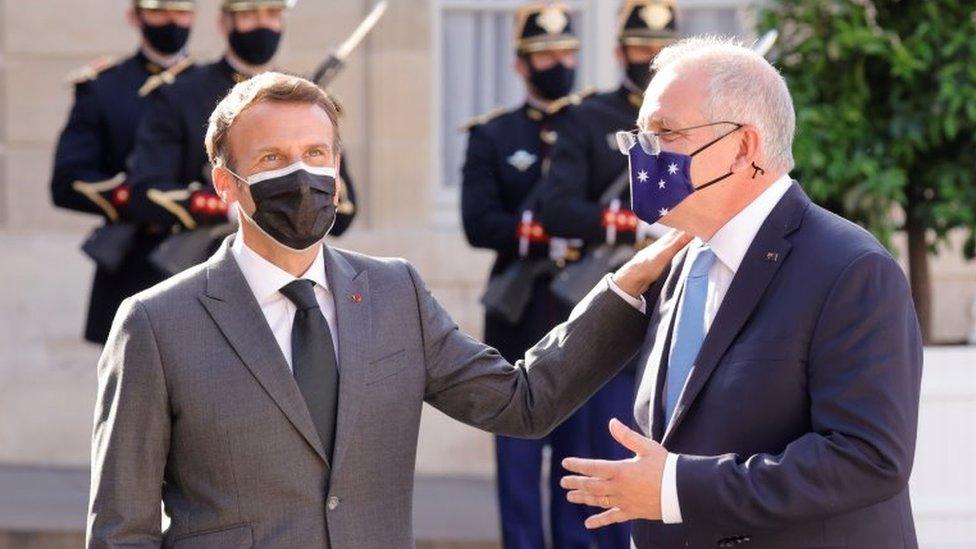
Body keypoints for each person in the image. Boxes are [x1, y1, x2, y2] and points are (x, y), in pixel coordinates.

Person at [87, 71, 691, 548]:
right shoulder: (156, 323)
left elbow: (521, 403)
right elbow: (122, 530)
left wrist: (625, 290)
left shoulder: (393, 293)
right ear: (225, 184)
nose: (302, 174)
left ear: (338, 167)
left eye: (316, 153)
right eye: (272, 159)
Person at [560, 36, 924, 549]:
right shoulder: (680, 261)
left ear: (745, 148)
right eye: (639, 136)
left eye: (665, 133)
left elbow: (868, 458)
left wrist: (675, 487)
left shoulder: (851, 268)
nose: (644, 156)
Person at [538, 2, 678, 544]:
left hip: (672, 302)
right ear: (620, 52)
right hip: (614, 299)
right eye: (640, 49)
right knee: (596, 458)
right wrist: (629, 227)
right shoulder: (587, 118)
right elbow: (558, 208)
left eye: (660, 52)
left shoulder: (693, 120)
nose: (649, 61)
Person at [459, 3, 597, 547]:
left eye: (566, 53)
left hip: (581, 318)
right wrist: (538, 233)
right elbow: (478, 221)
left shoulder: (593, 129)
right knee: (518, 475)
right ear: (521, 64)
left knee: (579, 475)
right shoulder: (495, 135)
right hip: (518, 320)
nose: (558, 63)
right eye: (545, 55)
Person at [126, 0, 358, 262]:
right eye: (248, 15)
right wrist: (229, 207)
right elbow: (145, 193)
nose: (262, 24)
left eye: (272, 14)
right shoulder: (181, 93)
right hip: (202, 262)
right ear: (224, 22)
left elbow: (343, 216)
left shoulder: (305, 99)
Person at [49, 0, 197, 344]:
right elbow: (68, 181)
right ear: (136, 16)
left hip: (199, 258)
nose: (172, 21)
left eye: (181, 11)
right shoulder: (104, 87)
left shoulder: (209, 86)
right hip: (132, 261)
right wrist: (140, 199)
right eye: (160, 11)